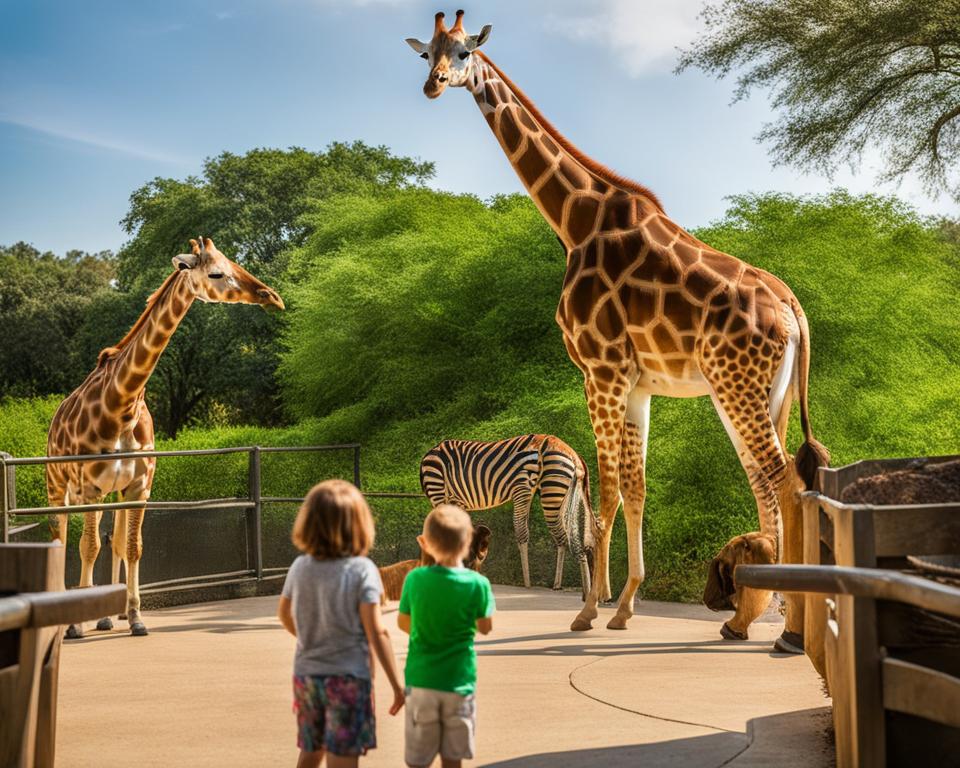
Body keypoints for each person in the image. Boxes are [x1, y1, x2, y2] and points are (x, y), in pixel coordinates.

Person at [278, 479, 404, 768]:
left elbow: (284, 613)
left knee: (312, 749)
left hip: (308, 675)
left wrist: (308, 638)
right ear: (359, 524)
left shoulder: (300, 567)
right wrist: (397, 685)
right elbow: (376, 631)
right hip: (349, 678)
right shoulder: (362, 570)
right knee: (343, 756)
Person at [398, 505, 496, 768]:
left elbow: (403, 622)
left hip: (421, 682)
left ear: (426, 543)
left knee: (418, 760)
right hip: (459, 683)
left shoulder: (415, 579)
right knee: (453, 759)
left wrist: (429, 629)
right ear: (468, 543)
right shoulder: (478, 584)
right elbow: (485, 627)